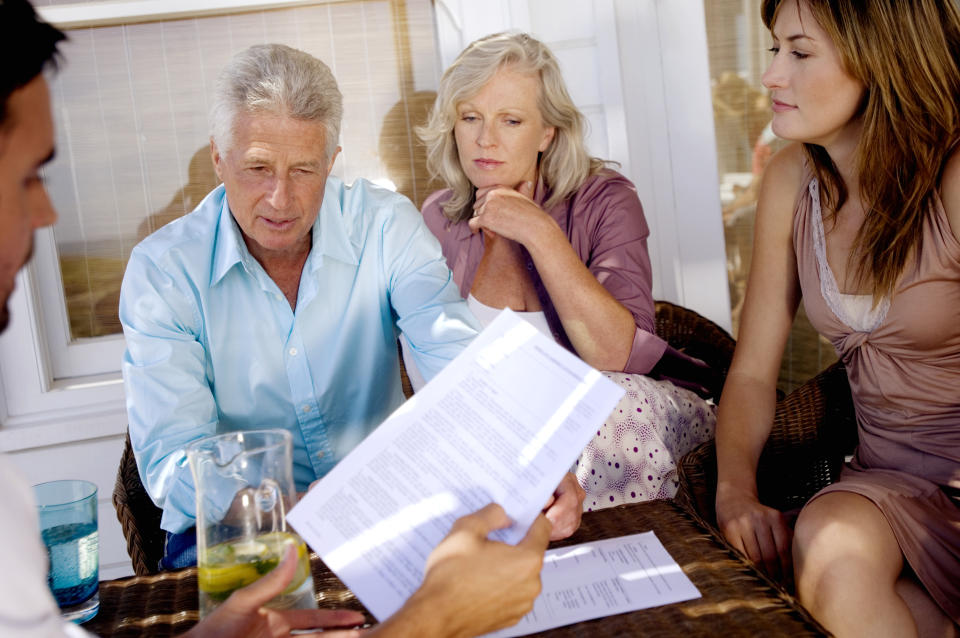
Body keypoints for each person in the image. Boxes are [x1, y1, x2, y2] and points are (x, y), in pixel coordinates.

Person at [0, 3, 551, 637]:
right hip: (240, 541)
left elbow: (453, 352)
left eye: (305, 171)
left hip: (383, 519)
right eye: (258, 168)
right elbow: (173, 467)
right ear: (218, 158)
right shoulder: (163, 272)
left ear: (334, 160)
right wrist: (286, 508)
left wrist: (523, 452)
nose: (281, 200)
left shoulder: (384, 225)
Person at [713, 1, 960, 636]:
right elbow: (750, 376)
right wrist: (735, 492)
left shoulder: (956, 178)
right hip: (883, 490)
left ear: (882, 62)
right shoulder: (793, 181)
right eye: (775, 50)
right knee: (828, 545)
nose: (770, 75)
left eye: (799, 52)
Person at [418, 32, 718, 510]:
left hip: (626, 421)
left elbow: (618, 358)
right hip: (510, 435)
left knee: (608, 401)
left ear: (547, 133)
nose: (484, 139)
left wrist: (539, 232)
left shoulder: (607, 200)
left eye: (510, 120)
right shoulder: (438, 218)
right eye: (469, 117)